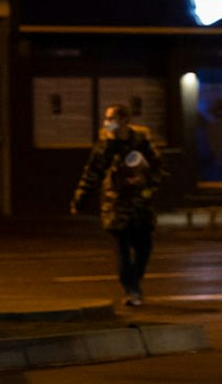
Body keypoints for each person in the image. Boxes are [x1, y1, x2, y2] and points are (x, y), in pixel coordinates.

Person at [71, 104, 166, 307]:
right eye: (107, 118)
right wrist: (80, 197)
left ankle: (135, 283)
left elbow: (158, 168)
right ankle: (131, 289)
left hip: (140, 205)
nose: (107, 122)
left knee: (144, 248)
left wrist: (145, 180)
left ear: (124, 120)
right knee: (122, 248)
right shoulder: (105, 143)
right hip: (116, 204)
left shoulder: (142, 141)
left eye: (111, 118)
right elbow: (93, 171)